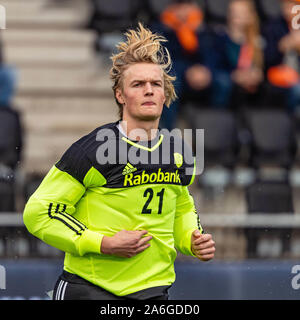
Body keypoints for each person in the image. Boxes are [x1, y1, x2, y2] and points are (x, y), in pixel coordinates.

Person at [23, 23, 215, 300]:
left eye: (155, 84)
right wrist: (102, 243)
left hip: (154, 291)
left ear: (165, 94)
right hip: (89, 288)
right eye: (138, 84)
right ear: (120, 95)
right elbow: (39, 212)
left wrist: (191, 239)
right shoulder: (94, 148)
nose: (149, 90)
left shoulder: (178, 150)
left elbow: (181, 206)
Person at [151, 0, 215, 130]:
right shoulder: (160, 28)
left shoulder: (203, 29)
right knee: (170, 80)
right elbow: (163, 57)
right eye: (179, 7)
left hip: (199, 71)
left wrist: (205, 70)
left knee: (222, 81)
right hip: (174, 70)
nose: (184, 11)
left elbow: (211, 54)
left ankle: (211, 129)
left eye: (188, 6)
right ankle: (167, 128)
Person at [212, 0, 264, 109]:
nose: (236, 16)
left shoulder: (257, 40)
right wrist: (234, 75)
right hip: (228, 79)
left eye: (241, 13)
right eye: (233, 12)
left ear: (251, 16)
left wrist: (257, 74)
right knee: (223, 82)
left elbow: (262, 64)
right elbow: (215, 65)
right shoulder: (220, 37)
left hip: (250, 82)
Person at [262, 0, 300, 112]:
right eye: (286, 5)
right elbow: (266, 60)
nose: (289, 10)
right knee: (297, 89)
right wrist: (281, 47)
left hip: (296, 73)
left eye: (294, 6)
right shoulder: (273, 27)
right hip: (280, 72)